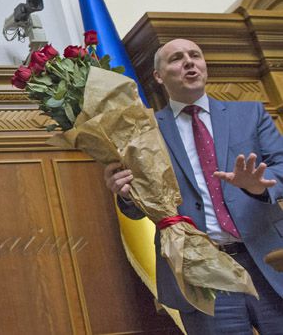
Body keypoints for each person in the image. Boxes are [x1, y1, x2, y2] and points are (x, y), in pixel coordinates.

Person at [104, 38, 283, 334]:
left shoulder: (250, 114)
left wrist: (260, 188)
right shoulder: (144, 132)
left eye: (195, 55)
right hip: (201, 274)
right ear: (158, 76)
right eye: (176, 58)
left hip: (269, 262)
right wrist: (124, 194)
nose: (189, 61)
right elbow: (136, 211)